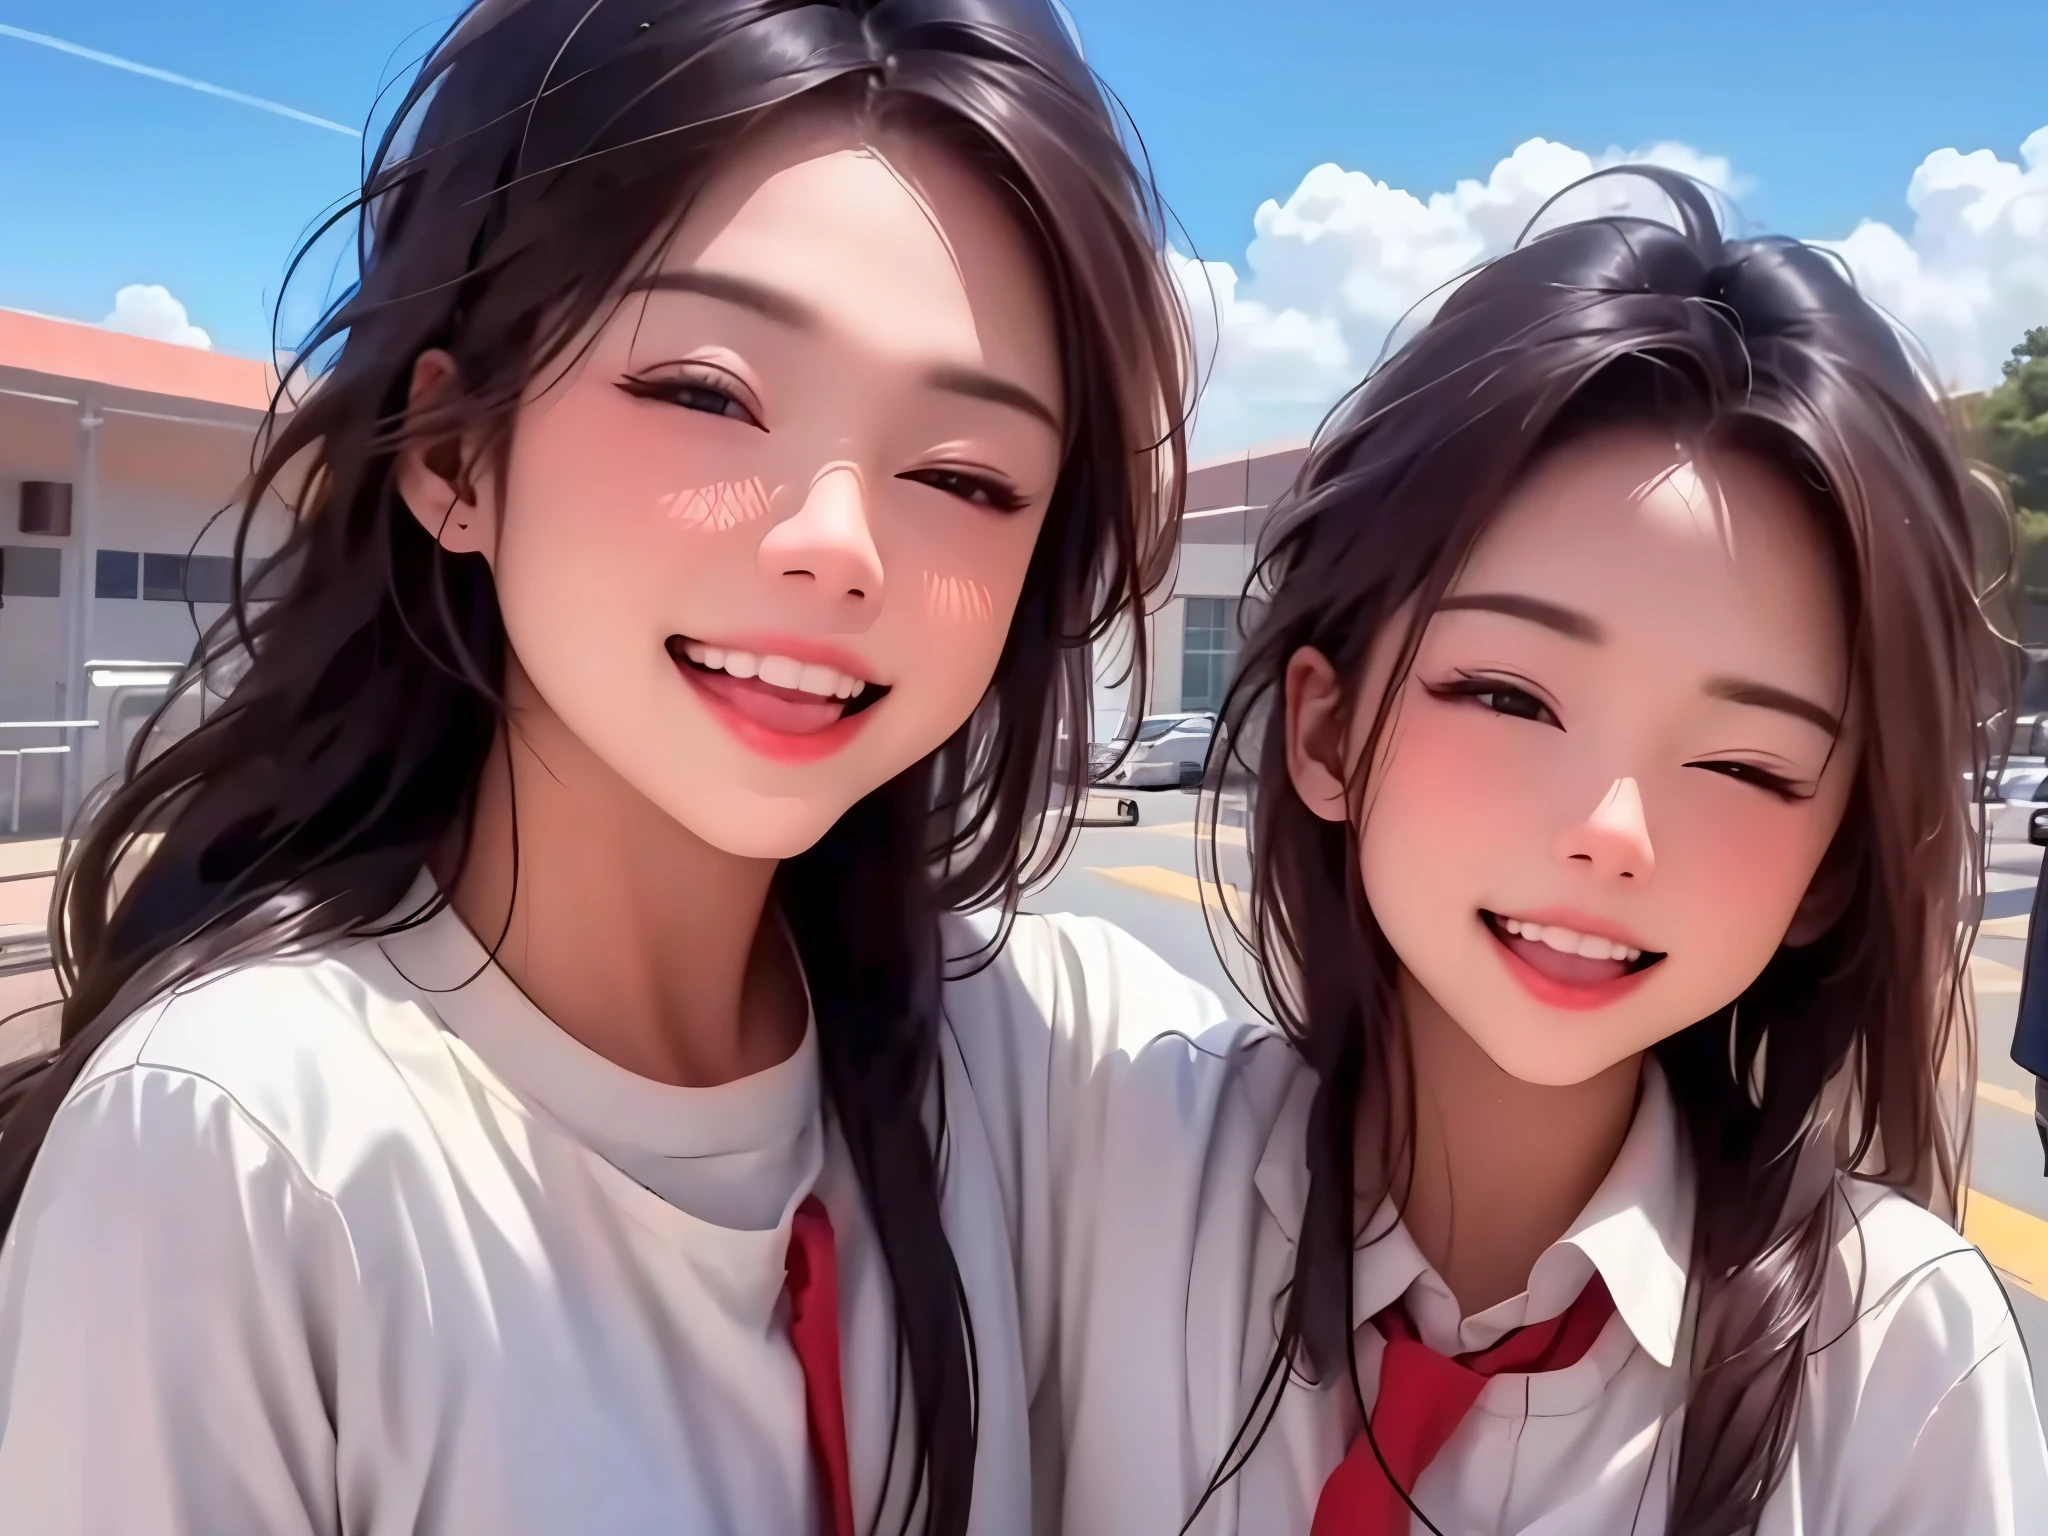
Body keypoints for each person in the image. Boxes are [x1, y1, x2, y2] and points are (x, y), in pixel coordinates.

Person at [0, 3, 1219, 1532]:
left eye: (964, 476)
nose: (839, 547)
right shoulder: (245, 1151)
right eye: (708, 393)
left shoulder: (1041, 1066)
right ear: (452, 455)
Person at [1036, 168, 2048, 1534]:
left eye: (1748, 765)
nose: (1612, 837)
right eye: (1512, 697)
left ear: (1833, 864)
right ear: (1327, 734)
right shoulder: (1091, 1154)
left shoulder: (1900, 1368)